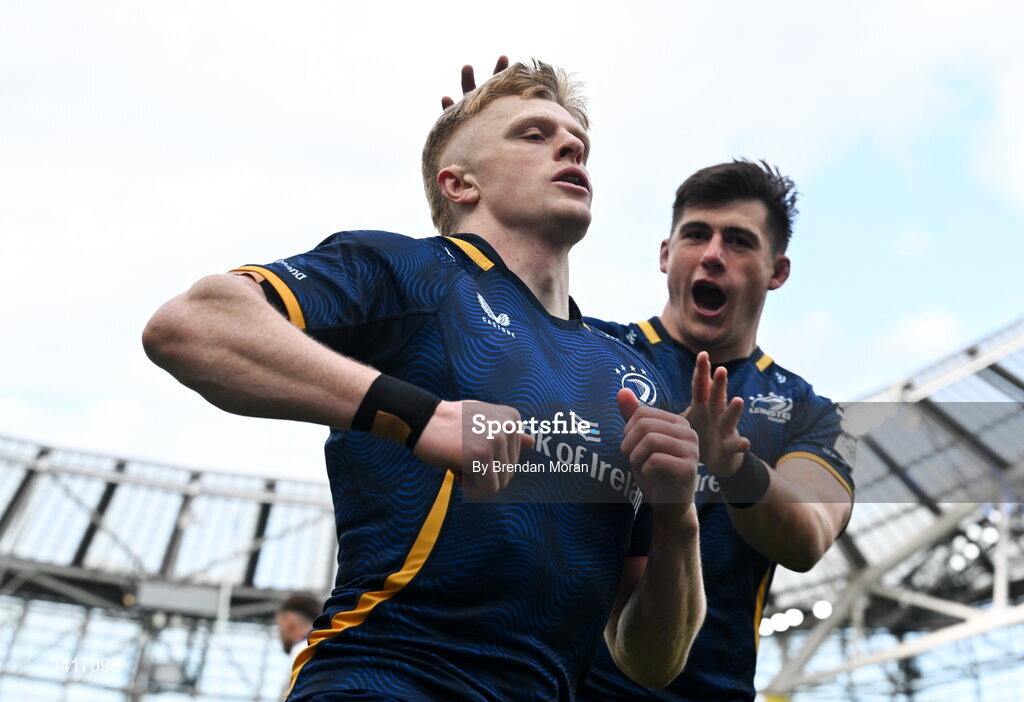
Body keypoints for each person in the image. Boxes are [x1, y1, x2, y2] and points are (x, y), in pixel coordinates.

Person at [143, 60, 706, 701]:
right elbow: (190, 324)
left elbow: (650, 661)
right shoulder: (414, 270)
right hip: (382, 681)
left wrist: (678, 519)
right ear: (459, 183)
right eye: (533, 134)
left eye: (577, 141)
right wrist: (421, 418)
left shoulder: (631, 376)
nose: (570, 147)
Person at [578, 160, 856, 701]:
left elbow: (810, 534)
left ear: (777, 271)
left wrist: (734, 467)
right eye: (696, 234)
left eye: (738, 241)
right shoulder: (588, 353)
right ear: (666, 254)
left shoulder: (810, 413)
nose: (712, 253)